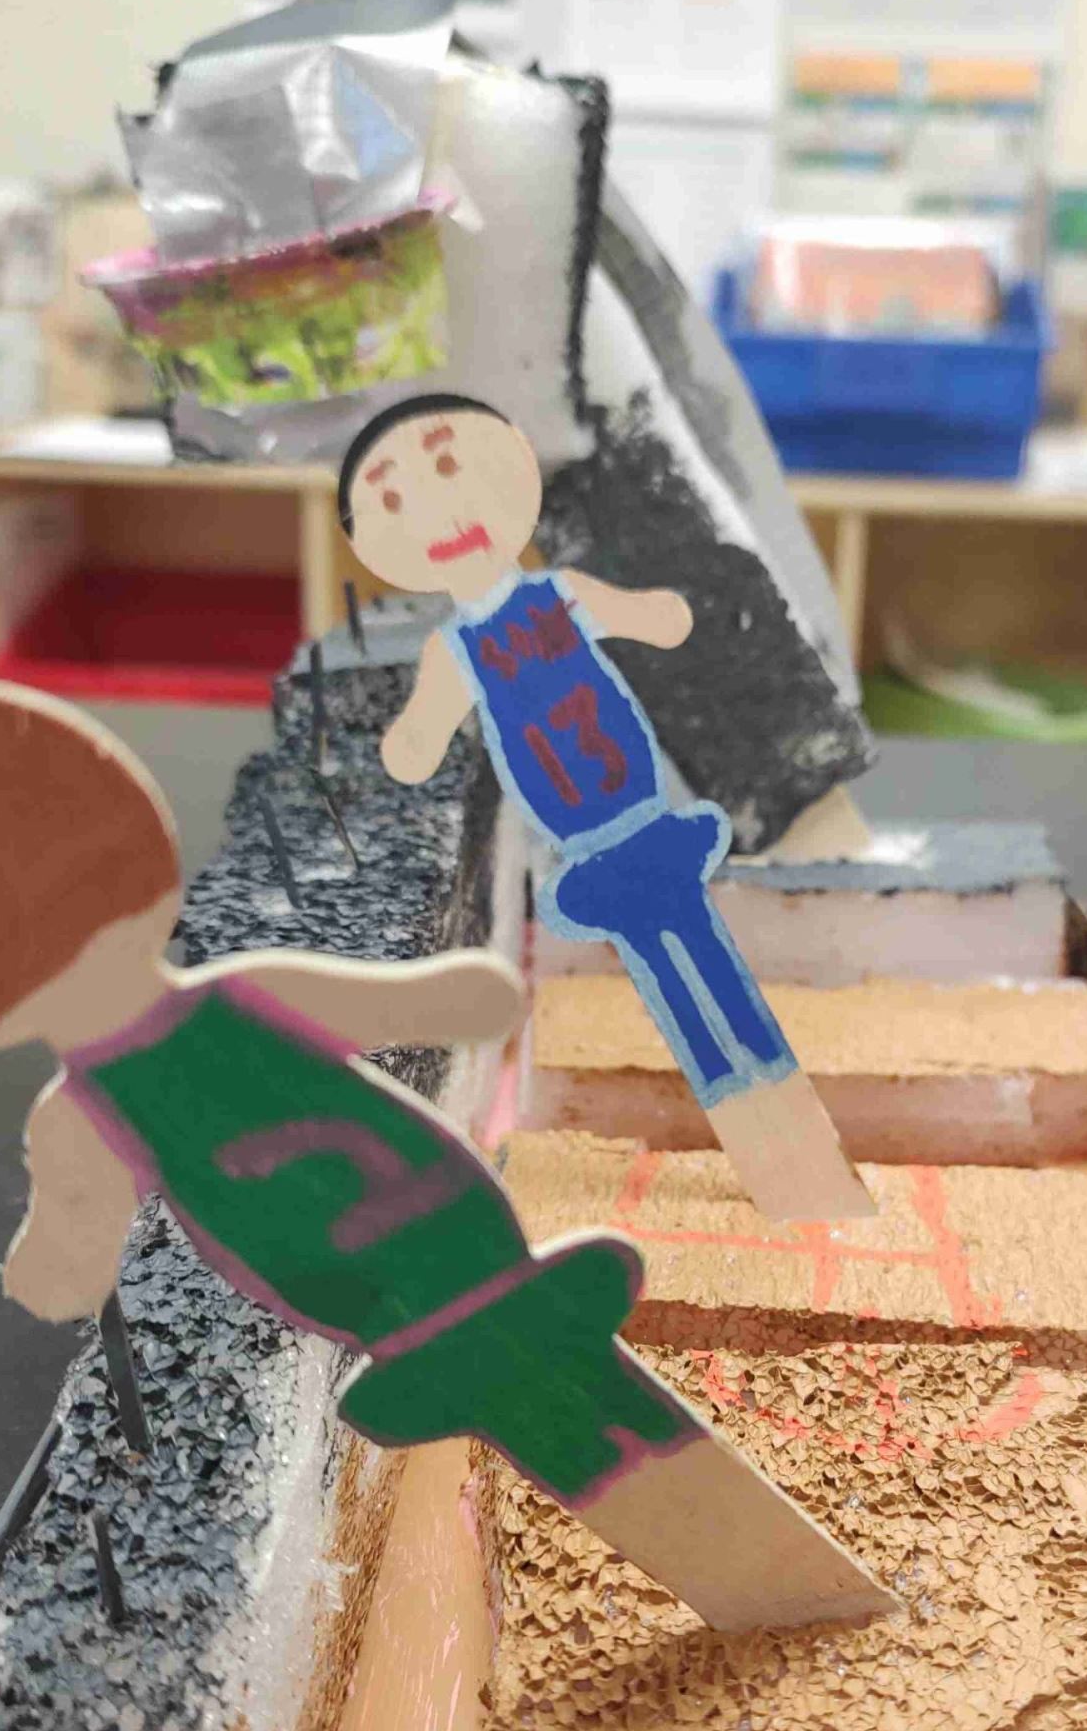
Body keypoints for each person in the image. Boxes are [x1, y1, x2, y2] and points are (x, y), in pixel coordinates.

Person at [0, 679, 887, 1628]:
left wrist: (53, 1264)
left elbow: (71, 1254)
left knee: (548, 1387)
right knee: (552, 1391)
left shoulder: (107, 1096)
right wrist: (462, 996)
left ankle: (765, 1579)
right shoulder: (156, 1062)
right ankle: (763, 1579)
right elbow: (418, 1005)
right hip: (420, 1264)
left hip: (406, 1278)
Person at [338, 392, 871, 1220]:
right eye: (397, 499)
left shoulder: (561, 597)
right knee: (672, 969)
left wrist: (666, 611)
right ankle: (745, 1102)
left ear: (511, 465)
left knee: (700, 953)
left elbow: (653, 621)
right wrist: (404, 741)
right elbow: (418, 740)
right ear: (372, 538)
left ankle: (782, 1124)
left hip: (645, 822)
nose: (440, 511)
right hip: (591, 853)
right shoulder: (455, 651)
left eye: (449, 466)